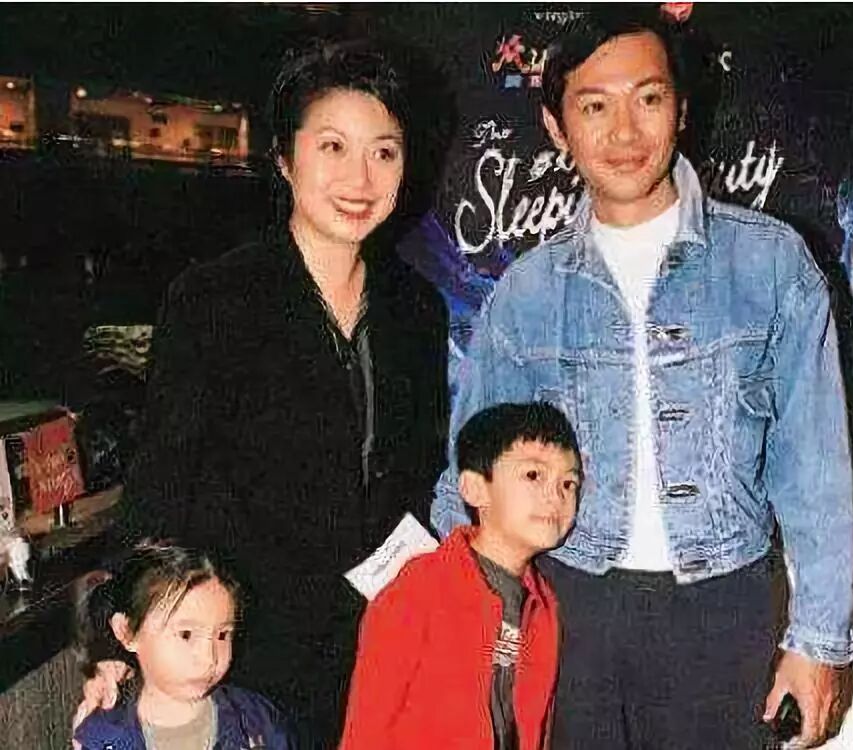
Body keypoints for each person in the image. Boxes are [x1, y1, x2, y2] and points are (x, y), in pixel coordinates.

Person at [431, 8, 853, 749]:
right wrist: (454, 618)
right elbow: (468, 475)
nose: (624, 132)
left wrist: (818, 640)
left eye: (649, 98)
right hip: (566, 606)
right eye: (595, 106)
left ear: (682, 109)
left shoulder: (770, 264)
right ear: (557, 126)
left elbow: (815, 469)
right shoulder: (527, 293)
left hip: (725, 610)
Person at [75, 38, 449, 748]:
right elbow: (161, 480)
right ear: (284, 157)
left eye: (384, 151)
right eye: (332, 147)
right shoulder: (215, 299)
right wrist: (114, 644)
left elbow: (419, 478)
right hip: (247, 657)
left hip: (385, 645)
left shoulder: (417, 310)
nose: (360, 177)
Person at [340, 402, 581, 750]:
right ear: (474, 488)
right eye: (533, 475)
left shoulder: (543, 607)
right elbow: (365, 731)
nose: (555, 495)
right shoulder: (418, 590)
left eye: (569, 483)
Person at [73, 541, 294, 749]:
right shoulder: (103, 739)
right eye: (186, 634)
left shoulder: (256, 720)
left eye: (222, 635)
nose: (209, 658)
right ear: (126, 631)